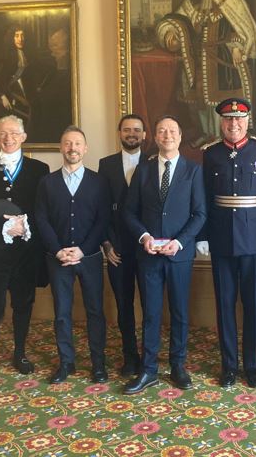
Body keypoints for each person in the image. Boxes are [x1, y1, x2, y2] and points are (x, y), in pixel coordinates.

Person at [196, 98, 256, 388]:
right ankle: (229, 365)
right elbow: (205, 200)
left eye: (239, 120)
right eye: (228, 119)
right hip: (221, 242)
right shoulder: (211, 154)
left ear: (248, 122)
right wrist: (203, 236)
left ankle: (252, 365)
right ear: (221, 122)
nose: (234, 124)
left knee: (252, 306)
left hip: (255, 242)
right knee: (224, 305)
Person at [122, 116, 206, 394]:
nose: (167, 135)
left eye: (172, 130)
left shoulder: (193, 171)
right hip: (149, 255)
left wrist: (180, 242)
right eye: (162, 131)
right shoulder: (143, 171)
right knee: (151, 314)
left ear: (180, 136)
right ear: (155, 138)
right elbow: (129, 212)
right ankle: (148, 370)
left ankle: (178, 365)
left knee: (180, 312)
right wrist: (144, 237)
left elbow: (200, 214)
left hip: (179, 255)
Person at [156, 0, 256, 147]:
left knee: (227, 97)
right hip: (202, 56)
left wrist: (237, 45)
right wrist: (170, 34)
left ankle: (226, 137)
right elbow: (178, 18)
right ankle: (207, 133)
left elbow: (242, 25)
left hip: (226, 55)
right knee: (202, 98)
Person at [0, 115, 50, 392]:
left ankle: (20, 353)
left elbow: (42, 207)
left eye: (14, 133)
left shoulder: (40, 169)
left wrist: (23, 225)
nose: (8, 138)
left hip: (26, 252)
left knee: (23, 305)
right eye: (3, 133)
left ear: (23, 137)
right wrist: (6, 225)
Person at [35, 126, 110, 384]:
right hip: (58, 260)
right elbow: (41, 219)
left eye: (77, 143)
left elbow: (103, 220)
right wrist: (58, 250)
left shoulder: (99, 181)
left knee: (95, 312)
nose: (73, 148)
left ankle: (98, 364)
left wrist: (84, 249)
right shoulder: (47, 182)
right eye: (68, 143)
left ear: (85, 148)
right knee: (62, 313)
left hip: (88, 258)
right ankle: (66, 362)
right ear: (61, 148)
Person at [98, 114, 147, 376]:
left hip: (148, 249)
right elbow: (102, 208)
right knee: (124, 305)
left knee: (150, 305)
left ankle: (149, 357)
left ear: (144, 135)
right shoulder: (105, 165)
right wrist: (106, 244)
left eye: (137, 130)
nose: (132, 134)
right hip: (117, 249)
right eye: (127, 129)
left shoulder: (154, 162)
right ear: (119, 133)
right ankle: (130, 356)